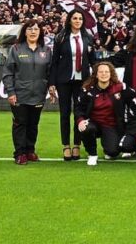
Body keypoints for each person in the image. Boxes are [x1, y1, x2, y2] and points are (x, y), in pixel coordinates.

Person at [2, 20, 52, 165]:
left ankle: (30, 150)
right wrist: (11, 92)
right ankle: (19, 153)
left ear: (40, 32)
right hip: (19, 94)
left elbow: (50, 73)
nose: (33, 31)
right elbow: (7, 73)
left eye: (36, 29)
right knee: (20, 123)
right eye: (30, 29)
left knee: (33, 124)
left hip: (38, 94)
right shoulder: (16, 49)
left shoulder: (47, 50)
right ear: (25, 32)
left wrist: (51, 87)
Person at [49, 9, 94, 161]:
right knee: (65, 113)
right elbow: (54, 62)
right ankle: (65, 146)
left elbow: (93, 60)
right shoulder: (61, 37)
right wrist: (52, 83)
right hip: (64, 80)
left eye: (80, 18)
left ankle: (77, 145)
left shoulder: (88, 37)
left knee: (79, 113)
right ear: (69, 20)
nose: (77, 21)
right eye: (74, 18)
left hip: (83, 81)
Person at [76, 62, 130, 167]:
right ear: (96, 74)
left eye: (106, 72)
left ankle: (108, 148)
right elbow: (78, 108)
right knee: (86, 128)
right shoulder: (87, 89)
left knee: (113, 152)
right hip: (93, 123)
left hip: (111, 125)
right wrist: (80, 121)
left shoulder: (120, 87)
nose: (103, 74)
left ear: (111, 74)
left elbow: (135, 99)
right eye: (101, 72)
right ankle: (92, 154)